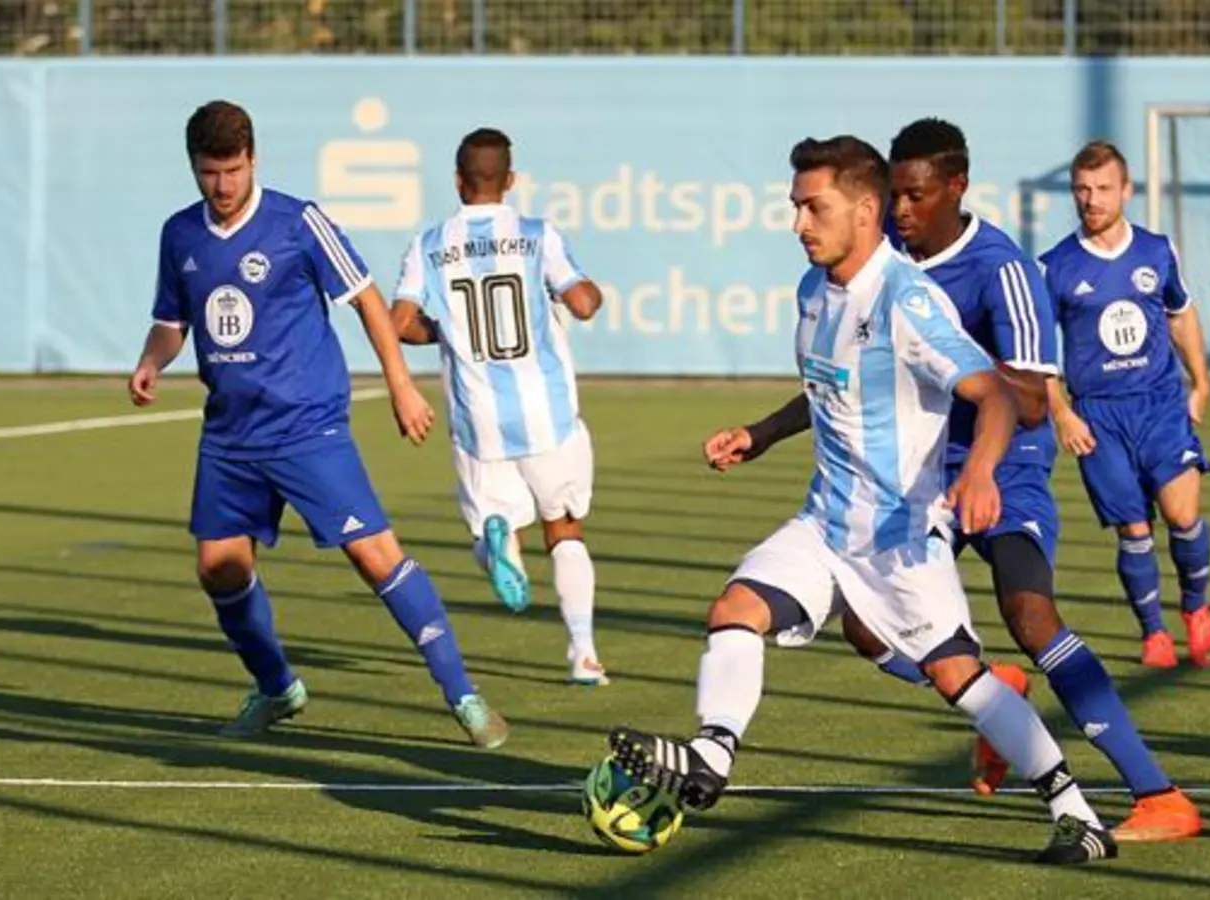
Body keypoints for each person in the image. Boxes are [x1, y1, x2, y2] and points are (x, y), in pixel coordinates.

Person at [608, 134, 1117, 865]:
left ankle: (1078, 813)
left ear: (864, 210)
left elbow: (997, 396)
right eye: (795, 208)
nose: (799, 224)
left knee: (959, 679)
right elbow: (830, 387)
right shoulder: (815, 291)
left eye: (814, 207)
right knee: (735, 608)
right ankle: (711, 758)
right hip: (825, 522)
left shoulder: (910, 301)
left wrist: (978, 473)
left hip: (899, 538)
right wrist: (762, 433)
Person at [716, 119, 1201, 842]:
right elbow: (845, 384)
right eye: (895, 196)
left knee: (1031, 615)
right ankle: (988, 689)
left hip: (1001, 472)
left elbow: (1032, 398)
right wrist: (763, 433)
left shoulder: (1000, 270)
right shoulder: (868, 271)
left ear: (956, 189)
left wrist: (954, 372)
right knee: (861, 625)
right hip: (906, 482)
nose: (903, 211)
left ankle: (1156, 793)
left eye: (916, 197)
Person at [127, 100, 508, 747]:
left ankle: (463, 695)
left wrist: (399, 385)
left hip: (308, 427)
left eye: (233, 171)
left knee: (374, 555)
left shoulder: (298, 222)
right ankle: (277, 688)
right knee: (218, 567)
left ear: (254, 159)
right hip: (229, 435)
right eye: (208, 173)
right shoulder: (180, 235)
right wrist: (151, 360)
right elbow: (173, 320)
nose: (221, 187)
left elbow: (364, 296)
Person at [389, 127, 609, 686]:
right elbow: (584, 303)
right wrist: (575, 290)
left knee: (489, 526)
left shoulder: (429, 243)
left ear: (459, 181)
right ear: (510, 181)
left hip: (477, 418)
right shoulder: (538, 234)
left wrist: (445, 331)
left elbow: (398, 324)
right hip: (546, 412)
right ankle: (583, 654)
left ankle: (498, 539)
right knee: (564, 527)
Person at [1040, 140, 1210, 670]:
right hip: (1098, 413)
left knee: (1182, 515)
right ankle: (1155, 635)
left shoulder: (1156, 251)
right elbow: (1037, 350)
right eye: (1082, 189)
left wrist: (1201, 382)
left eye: (1102, 189)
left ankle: (1196, 609)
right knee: (1134, 529)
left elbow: (1181, 315)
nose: (1091, 200)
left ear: (1126, 191)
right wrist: (1062, 412)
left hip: (1160, 402)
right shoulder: (1054, 266)